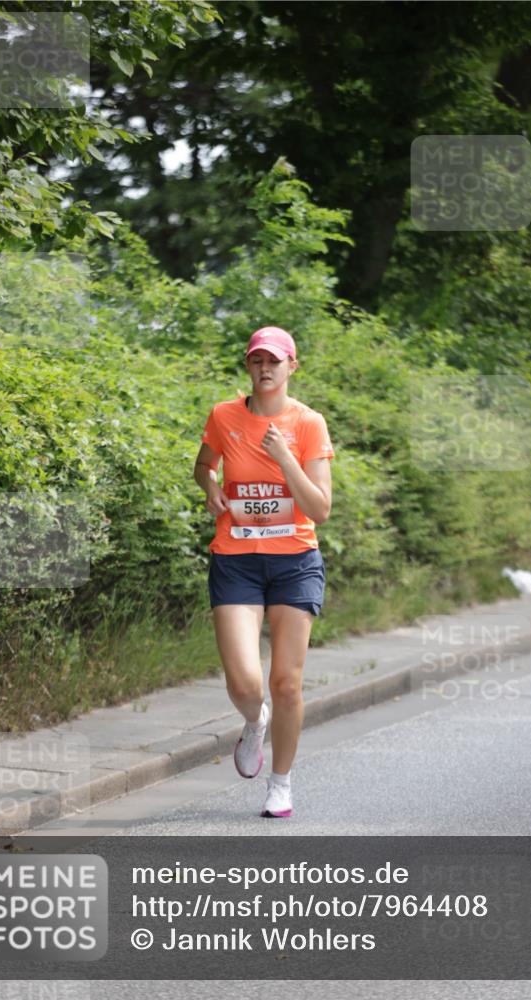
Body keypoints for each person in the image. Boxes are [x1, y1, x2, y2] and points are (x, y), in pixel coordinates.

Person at [193, 326, 335, 818]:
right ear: (249, 366)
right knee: (246, 684)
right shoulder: (224, 416)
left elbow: (319, 509)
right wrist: (210, 487)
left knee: (286, 683)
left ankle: (281, 782)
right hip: (237, 560)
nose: (266, 368)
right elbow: (203, 465)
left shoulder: (309, 424)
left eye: (275, 361)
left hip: (295, 562)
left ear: (292, 366)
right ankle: (255, 722)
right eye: (257, 360)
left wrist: (283, 457)